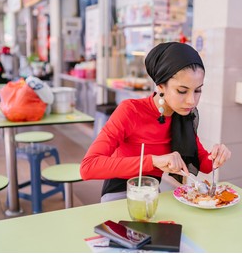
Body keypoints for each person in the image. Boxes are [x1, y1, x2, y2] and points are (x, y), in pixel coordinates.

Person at [80, 42, 231, 202]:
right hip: (119, 193)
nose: (191, 101)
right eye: (182, 91)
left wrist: (217, 156)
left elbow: (204, 164)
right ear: (160, 87)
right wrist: (153, 161)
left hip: (152, 192)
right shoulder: (131, 111)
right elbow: (88, 167)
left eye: (198, 90)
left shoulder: (183, 116)